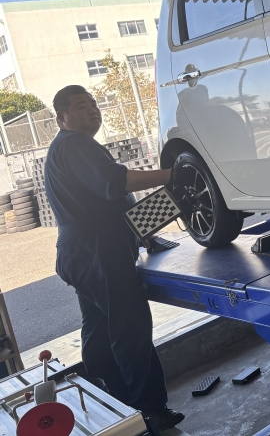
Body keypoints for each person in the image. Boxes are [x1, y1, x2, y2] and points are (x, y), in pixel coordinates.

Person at [44, 85, 185, 431]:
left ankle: (112, 400)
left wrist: (146, 233)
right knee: (129, 329)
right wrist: (173, 176)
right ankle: (149, 410)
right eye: (81, 106)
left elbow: (105, 203)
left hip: (85, 254)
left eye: (93, 104)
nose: (92, 110)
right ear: (61, 117)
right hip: (98, 254)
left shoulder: (70, 147)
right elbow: (115, 183)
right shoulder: (74, 144)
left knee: (100, 330)